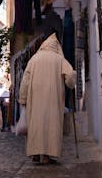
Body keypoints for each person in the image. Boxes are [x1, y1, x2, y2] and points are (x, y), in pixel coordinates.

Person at [18, 32, 77, 165]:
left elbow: (25, 81)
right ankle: (46, 156)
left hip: (35, 100)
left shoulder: (34, 59)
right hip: (52, 101)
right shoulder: (59, 59)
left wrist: (23, 99)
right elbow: (70, 77)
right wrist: (72, 82)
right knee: (50, 125)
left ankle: (36, 153)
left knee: (36, 125)